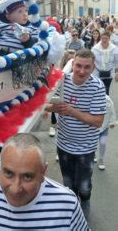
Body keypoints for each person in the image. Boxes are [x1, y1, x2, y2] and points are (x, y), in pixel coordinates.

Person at [45, 49, 106, 218]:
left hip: (86, 149)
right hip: (63, 145)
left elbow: (97, 121)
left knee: (84, 187)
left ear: (93, 68)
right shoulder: (62, 80)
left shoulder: (97, 87)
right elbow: (46, 105)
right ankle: (72, 211)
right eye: (78, 66)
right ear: (72, 64)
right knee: (68, 183)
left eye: (87, 67)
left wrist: (71, 110)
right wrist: (54, 108)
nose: (81, 71)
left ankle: (85, 204)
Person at [97, 95, 117, 170]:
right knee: (92, 144)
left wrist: (112, 122)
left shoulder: (107, 100)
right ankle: (93, 155)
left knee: (103, 143)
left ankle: (101, 160)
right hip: (93, 127)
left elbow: (112, 111)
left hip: (104, 127)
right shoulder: (90, 98)